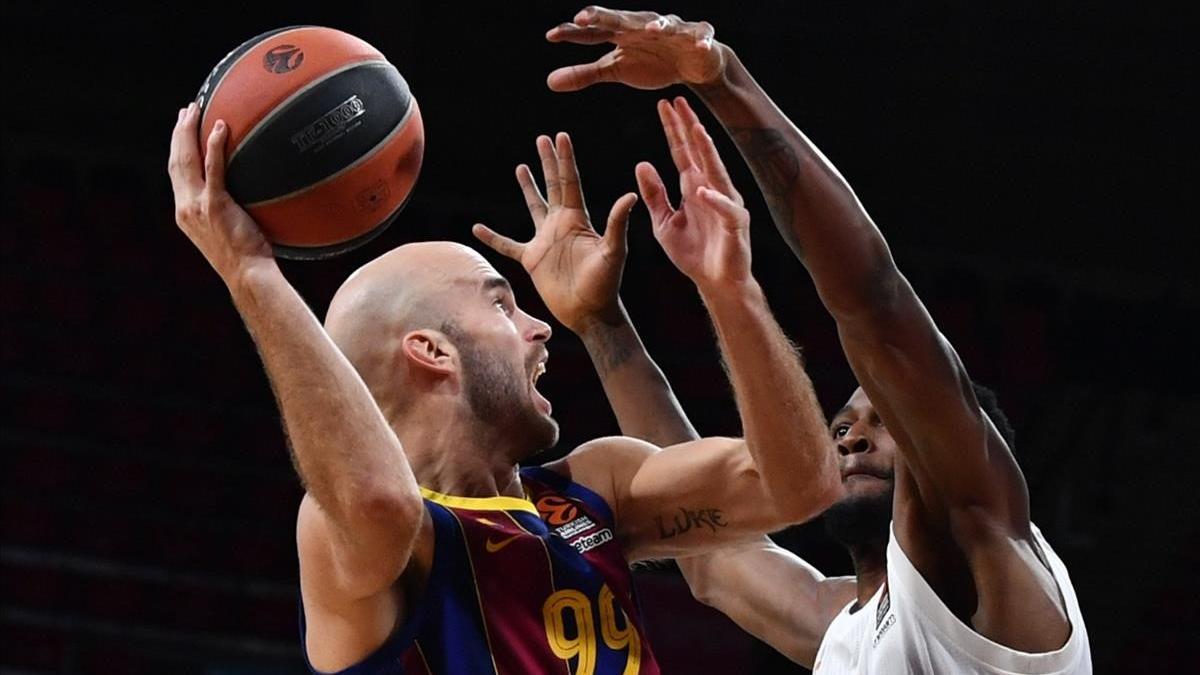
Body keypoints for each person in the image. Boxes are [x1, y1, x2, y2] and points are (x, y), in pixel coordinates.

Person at [166, 100, 839, 674]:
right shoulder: (368, 534)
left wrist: (732, 290)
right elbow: (379, 500)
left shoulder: (597, 485)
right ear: (431, 351)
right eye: (501, 304)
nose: (542, 326)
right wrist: (253, 275)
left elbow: (800, 483)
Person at [546, 7, 1092, 673]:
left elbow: (875, 308)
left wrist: (722, 79)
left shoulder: (984, 539)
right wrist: (602, 323)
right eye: (842, 424)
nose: (850, 437)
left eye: (880, 421)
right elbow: (713, 556)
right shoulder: (845, 627)